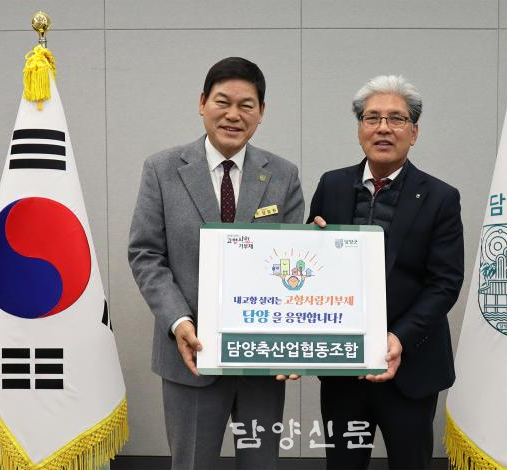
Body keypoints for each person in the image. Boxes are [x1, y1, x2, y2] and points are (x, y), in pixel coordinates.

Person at [128, 57, 304, 470]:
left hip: (262, 360)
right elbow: (145, 253)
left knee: (261, 464)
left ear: (261, 112)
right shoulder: (162, 169)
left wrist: (319, 249)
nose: (233, 115)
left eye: (246, 105)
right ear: (202, 103)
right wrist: (179, 322)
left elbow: (292, 261)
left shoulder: (283, 175)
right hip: (190, 356)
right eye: (223, 102)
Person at [307, 75, 464, 469]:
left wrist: (399, 338)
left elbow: (444, 283)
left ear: (414, 132)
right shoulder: (332, 184)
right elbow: (312, 267)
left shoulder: (441, 197)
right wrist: (310, 246)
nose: (383, 128)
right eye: (372, 118)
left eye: (396, 119)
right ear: (360, 128)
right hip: (344, 367)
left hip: (411, 365)